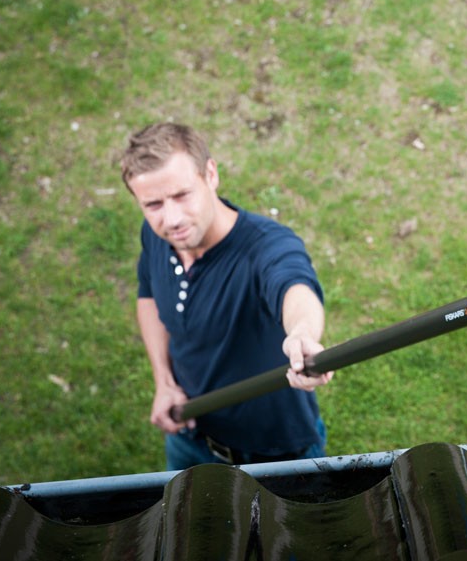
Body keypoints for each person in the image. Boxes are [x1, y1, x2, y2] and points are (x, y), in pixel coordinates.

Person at [120, 122, 333, 470]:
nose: (171, 219)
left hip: (276, 454)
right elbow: (148, 296)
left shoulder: (266, 246)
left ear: (211, 174)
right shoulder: (156, 235)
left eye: (181, 195)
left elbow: (293, 284)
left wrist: (303, 334)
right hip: (189, 438)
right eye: (153, 204)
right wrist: (164, 381)